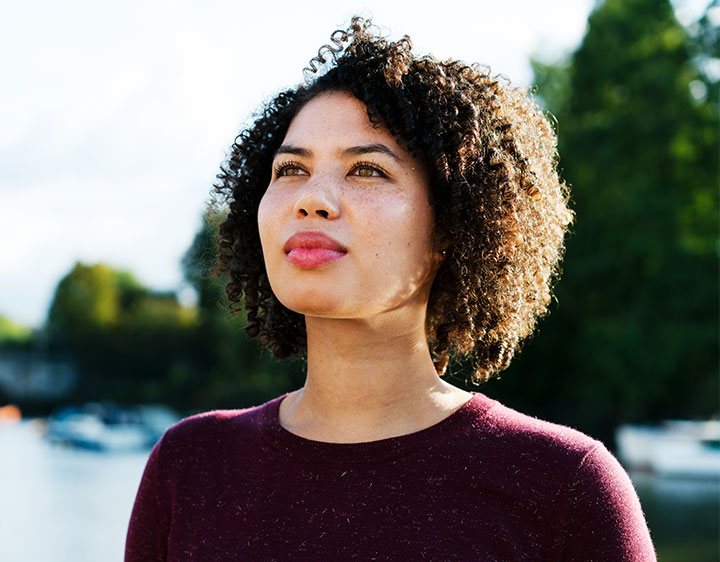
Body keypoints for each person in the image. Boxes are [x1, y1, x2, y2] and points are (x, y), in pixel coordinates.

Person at [125, 17, 656, 561]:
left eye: (367, 171)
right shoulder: (188, 465)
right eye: (290, 169)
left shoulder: (565, 487)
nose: (313, 198)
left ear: (453, 226)